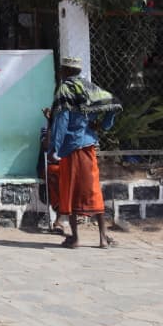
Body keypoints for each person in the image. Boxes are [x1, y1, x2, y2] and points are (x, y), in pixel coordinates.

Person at [45, 55, 121, 249]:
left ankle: (75, 238)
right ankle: (103, 238)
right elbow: (113, 104)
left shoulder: (65, 89)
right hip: (88, 146)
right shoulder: (89, 88)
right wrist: (103, 125)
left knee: (69, 191)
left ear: (65, 71)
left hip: (70, 148)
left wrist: (54, 147)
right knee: (93, 189)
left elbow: (62, 121)